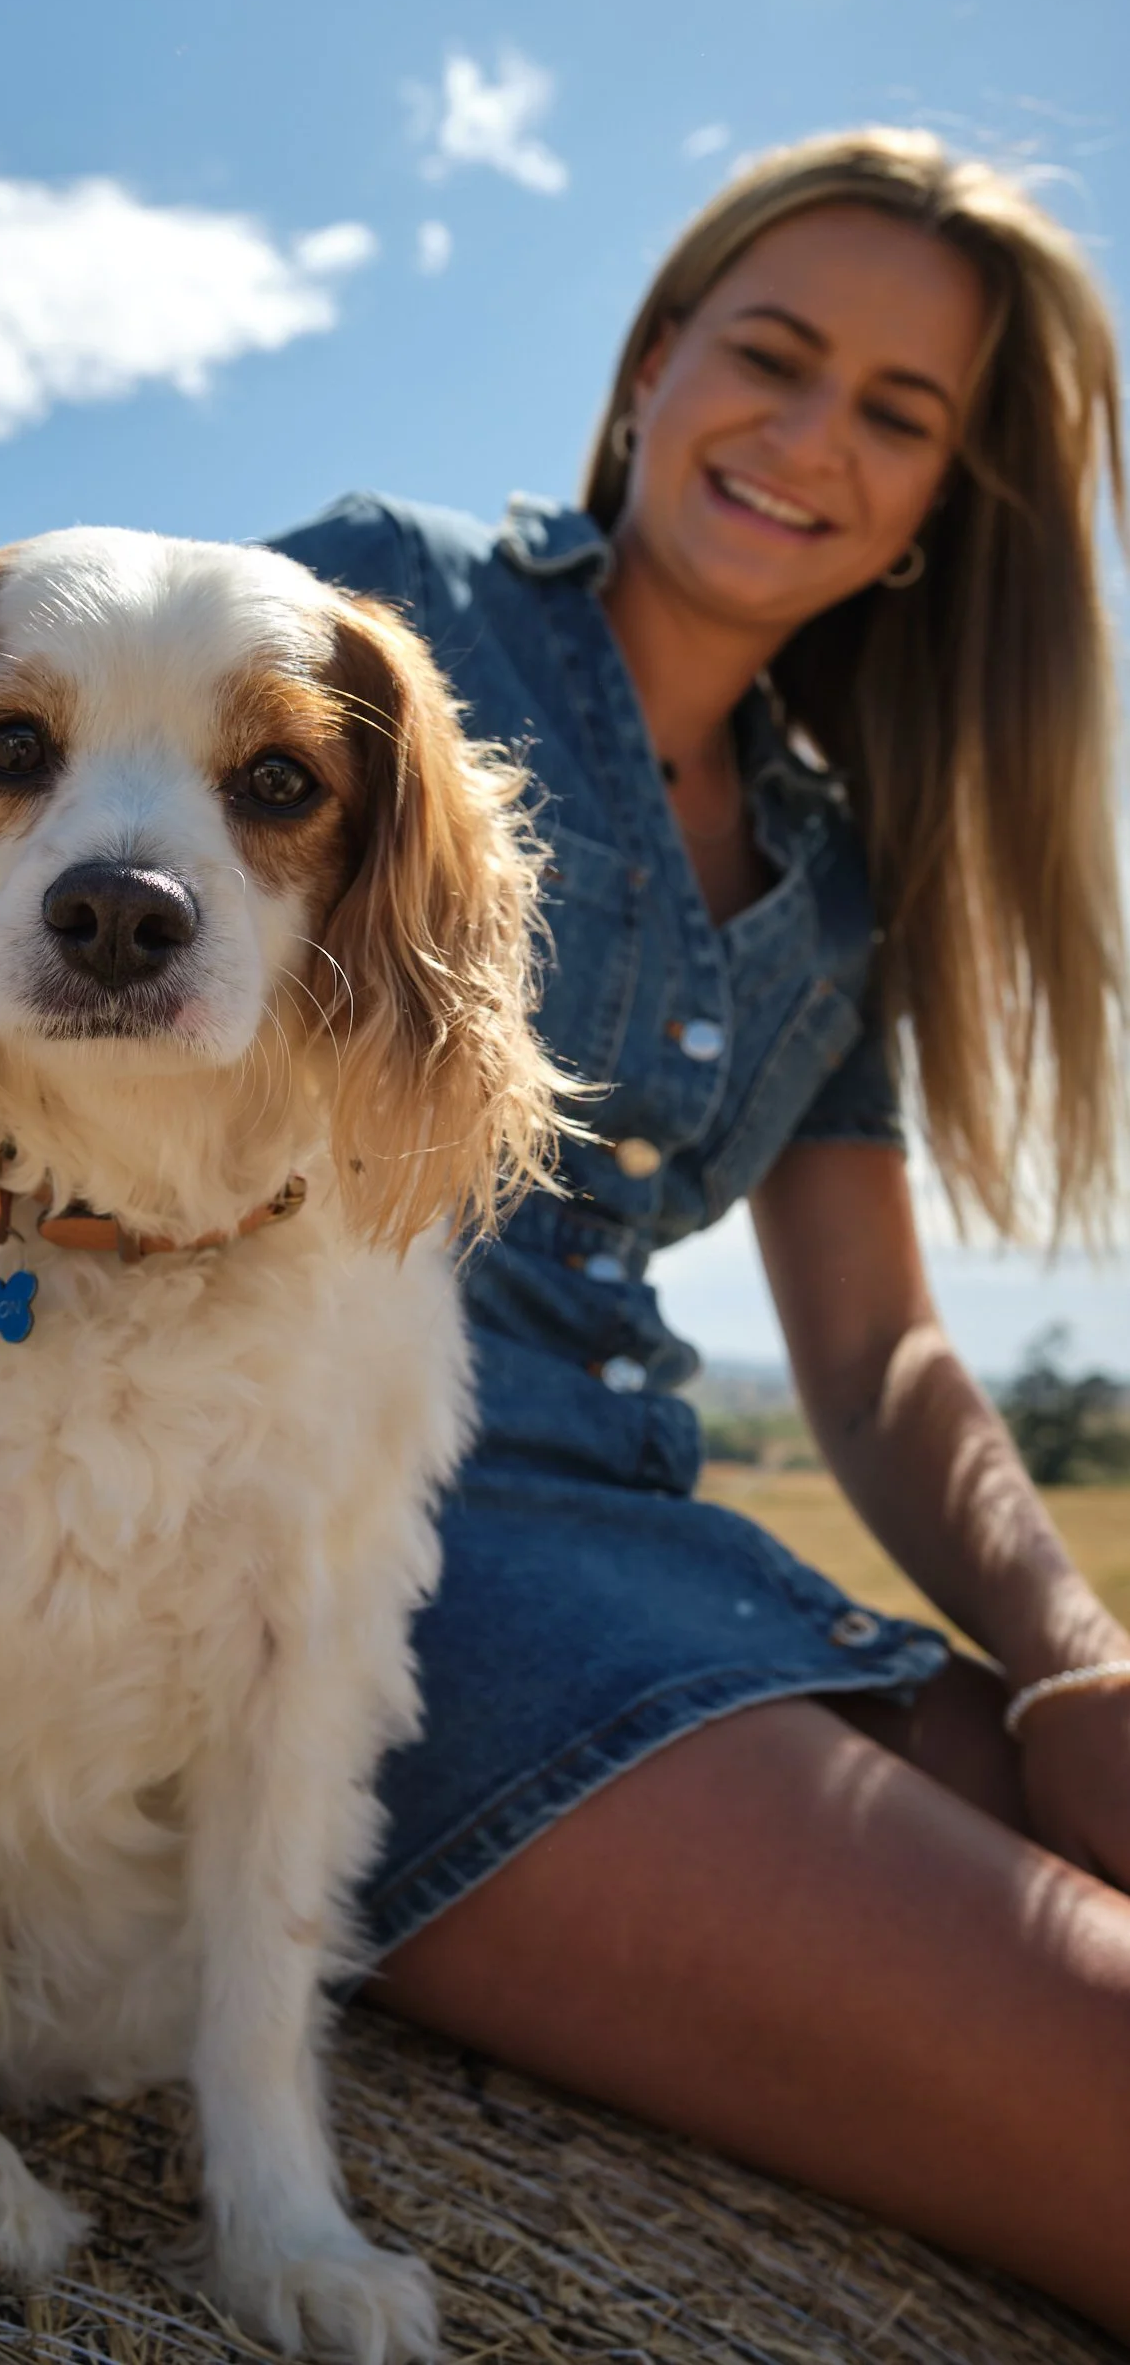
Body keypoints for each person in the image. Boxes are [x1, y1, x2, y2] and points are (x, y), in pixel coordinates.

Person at [267, 129, 1130, 2336]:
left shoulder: (833, 888)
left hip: (651, 1542)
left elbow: (874, 1358)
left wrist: (1067, 1653)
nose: (807, 439)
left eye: (894, 415)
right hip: (360, 1559)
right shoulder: (384, 613)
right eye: (769, 355)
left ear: (939, 508)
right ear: (652, 362)